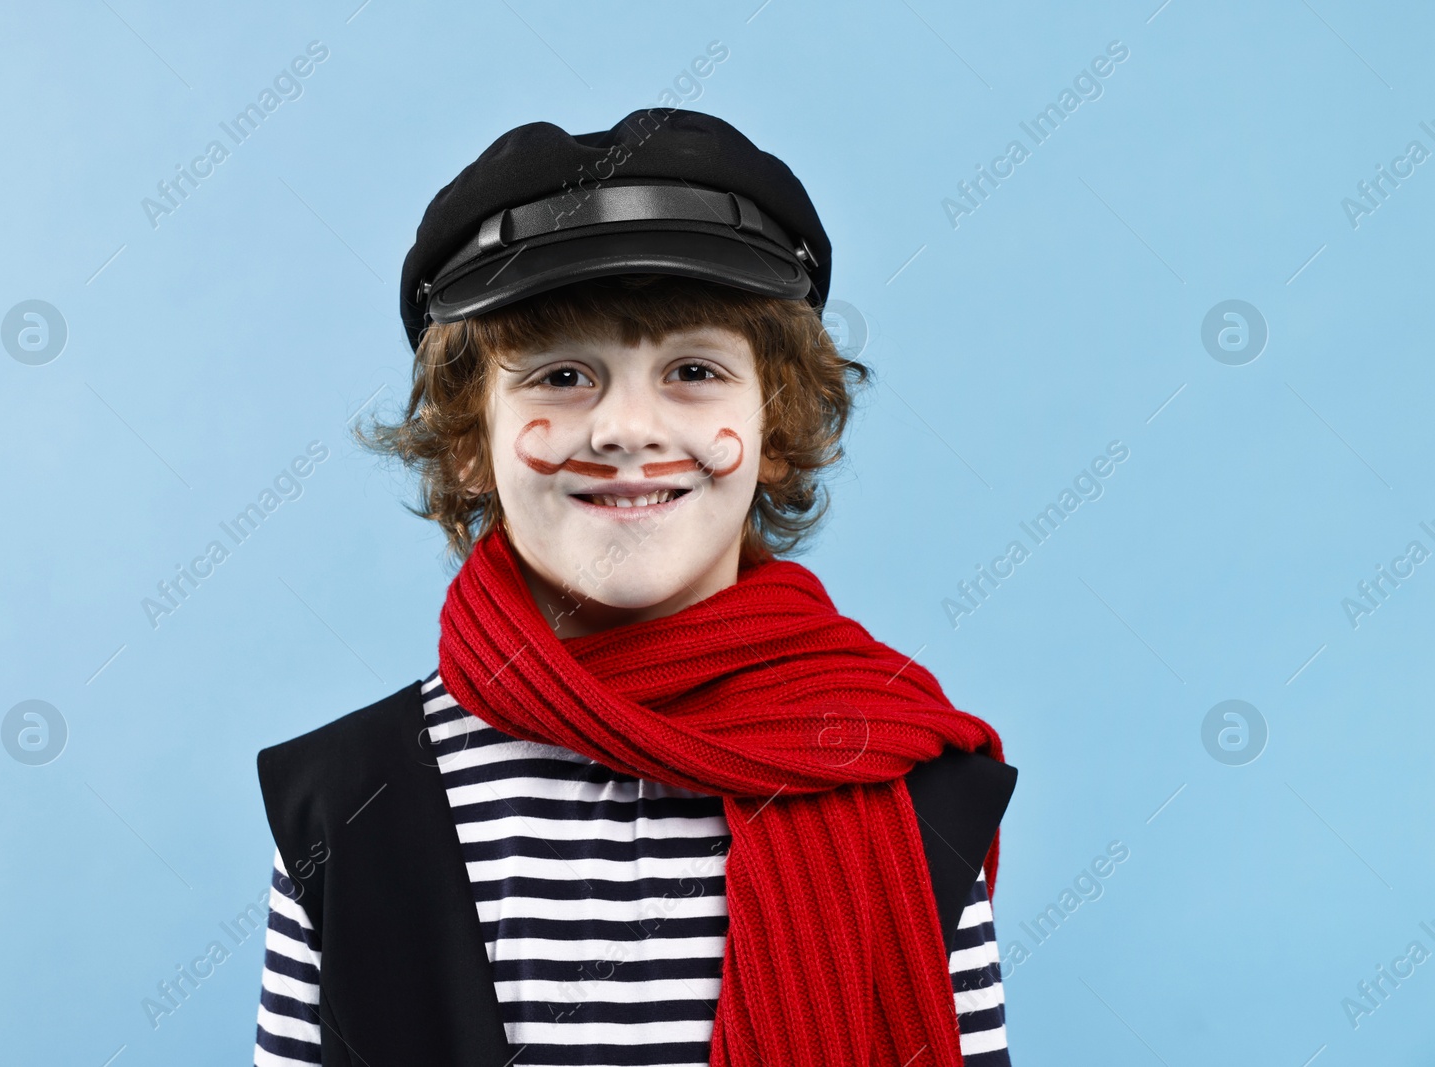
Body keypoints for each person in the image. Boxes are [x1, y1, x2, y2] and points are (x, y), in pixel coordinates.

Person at [252, 108, 1017, 1067]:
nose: (626, 429)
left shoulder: (905, 782)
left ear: (774, 428)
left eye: (693, 370)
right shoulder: (347, 804)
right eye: (563, 374)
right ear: (468, 441)